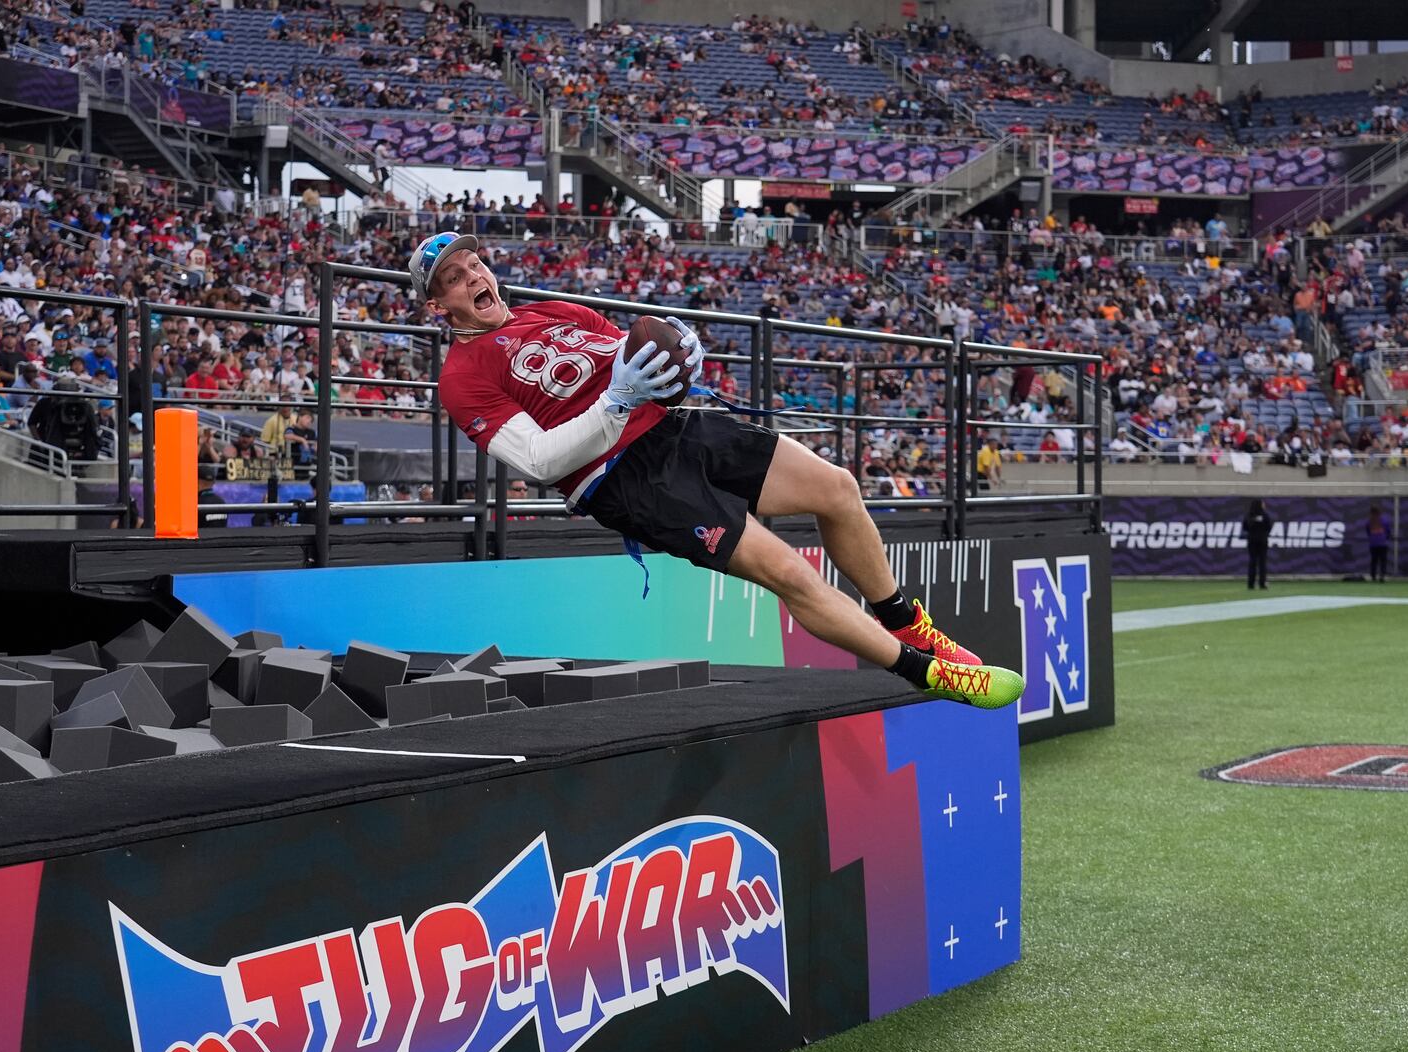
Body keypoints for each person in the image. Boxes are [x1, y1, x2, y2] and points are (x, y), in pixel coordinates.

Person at [421, 232, 1021, 708]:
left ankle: (907, 622)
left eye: (473, 264)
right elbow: (540, 460)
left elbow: (637, 362)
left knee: (837, 488)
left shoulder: (553, 310)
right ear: (438, 305)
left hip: (676, 429)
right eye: (454, 278)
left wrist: (677, 354)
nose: (473, 276)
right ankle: (929, 674)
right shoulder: (461, 378)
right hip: (625, 480)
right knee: (790, 571)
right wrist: (616, 402)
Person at [1244, 499, 1271, 590]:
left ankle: (1251, 584)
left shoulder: (1249, 515)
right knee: (1262, 563)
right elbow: (1269, 526)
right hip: (1262, 541)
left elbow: (1245, 527)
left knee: (1252, 562)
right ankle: (1262, 583)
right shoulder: (1265, 515)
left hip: (1252, 541)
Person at [1367, 504, 1391, 582]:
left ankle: (1373, 576)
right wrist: (1385, 538)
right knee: (1383, 561)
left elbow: (1368, 532)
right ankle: (1382, 576)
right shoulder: (1384, 520)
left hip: (1373, 544)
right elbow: (1388, 531)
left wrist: (1372, 538)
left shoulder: (1369, 521)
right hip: (1383, 544)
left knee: (1374, 560)